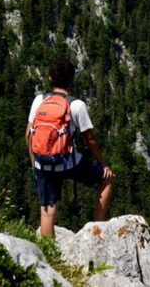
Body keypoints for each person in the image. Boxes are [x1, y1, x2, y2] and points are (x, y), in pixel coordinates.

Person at [25, 58, 115, 237]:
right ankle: (96, 232)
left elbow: (28, 134)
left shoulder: (39, 100)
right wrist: (104, 165)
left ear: (50, 79)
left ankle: (48, 255)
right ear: (72, 80)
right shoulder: (76, 105)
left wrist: (35, 164)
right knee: (107, 179)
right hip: (69, 163)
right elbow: (90, 140)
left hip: (43, 163)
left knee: (47, 211)